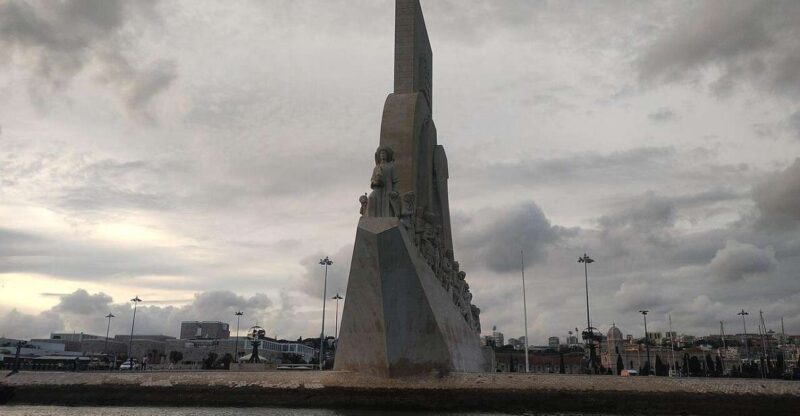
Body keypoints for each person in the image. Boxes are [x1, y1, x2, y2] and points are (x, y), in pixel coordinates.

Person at [366, 146, 399, 217]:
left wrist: (395, 191)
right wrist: (375, 182)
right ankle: (371, 217)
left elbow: (395, 181)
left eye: (384, 153)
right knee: (371, 197)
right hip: (378, 188)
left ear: (387, 155)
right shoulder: (376, 167)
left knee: (386, 204)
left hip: (388, 188)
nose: (382, 155)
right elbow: (372, 179)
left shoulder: (391, 166)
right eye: (381, 154)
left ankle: (386, 218)